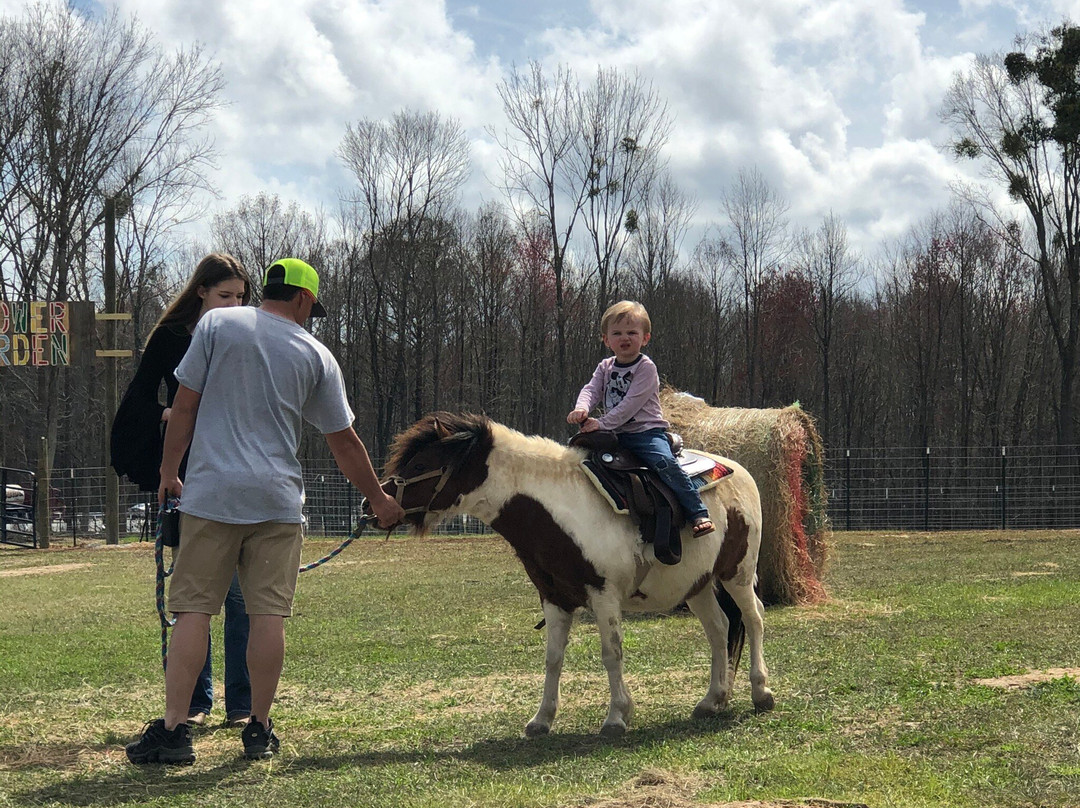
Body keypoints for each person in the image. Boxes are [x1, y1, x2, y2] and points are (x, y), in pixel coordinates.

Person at [125, 257, 406, 765]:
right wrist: (381, 500)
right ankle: (257, 728)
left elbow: (183, 407)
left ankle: (173, 732)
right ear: (302, 299)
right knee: (267, 616)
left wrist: (170, 473)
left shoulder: (215, 324)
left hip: (211, 495)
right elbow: (344, 443)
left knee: (193, 611)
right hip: (277, 501)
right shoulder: (316, 355)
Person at [110, 253, 254, 729]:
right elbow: (141, 395)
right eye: (224, 295)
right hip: (188, 472)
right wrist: (168, 419)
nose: (232, 304)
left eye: (240, 297)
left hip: (234, 467)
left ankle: (241, 704)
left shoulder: (246, 335)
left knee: (237, 595)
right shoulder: (173, 336)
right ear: (201, 292)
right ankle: (194, 701)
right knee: (196, 594)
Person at [567, 300, 714, 561]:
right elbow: (591, 390)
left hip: (645, 433)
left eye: (632, 333)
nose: (625, 338)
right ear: (606, 339)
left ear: (645, 338)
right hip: (614, 433)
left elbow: (630, 405)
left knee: (665, 464)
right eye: (618, 333)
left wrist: (601, 423)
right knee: (575, 455)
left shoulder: (646, 368)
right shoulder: (605, 367)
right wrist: (582, 409)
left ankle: (697, 511)